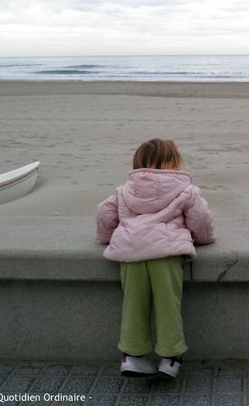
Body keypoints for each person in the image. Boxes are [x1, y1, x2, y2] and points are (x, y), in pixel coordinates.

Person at [96, 138, 215, 378]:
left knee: (133, 304)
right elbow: (200, 220)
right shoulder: (185, 190)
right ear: (174, 163)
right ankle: (170, 358)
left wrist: (107, 237)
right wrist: (203, 239)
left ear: (138, 164)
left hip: (130, 255)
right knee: (167, 304)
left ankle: (132, 356)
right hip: (166, 255)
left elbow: (104, 212)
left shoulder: (125, 190)